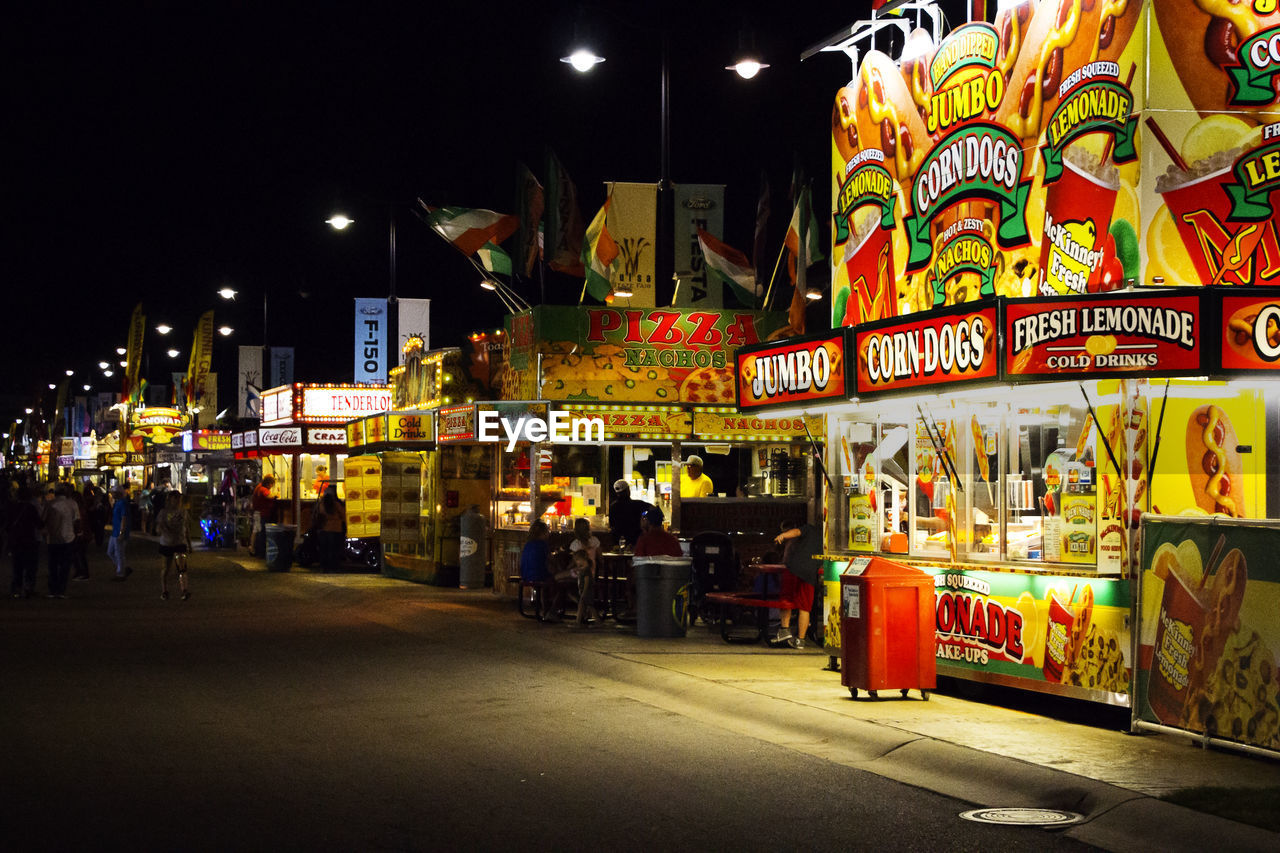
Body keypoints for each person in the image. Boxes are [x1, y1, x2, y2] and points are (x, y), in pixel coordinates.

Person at [772, 521, 823, 650]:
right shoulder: (828, 537)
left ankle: (784, 630)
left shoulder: (809, 529)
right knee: (805, 607)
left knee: (786, 598)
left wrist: (783, 535)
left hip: (794, 568)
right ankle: (800, 640)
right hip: (811, 571)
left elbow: (796, 532)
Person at [561, 518, 600, 627]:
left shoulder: (576, 544)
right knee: (585, 599)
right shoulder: (595, 541)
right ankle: (585, 618)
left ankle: (581, 620)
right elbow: (600, 557)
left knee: (561, 579)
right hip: (592, 571)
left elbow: (574, 562)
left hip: (581, 573)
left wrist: (566, 568)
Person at [6, 485, 43, 598]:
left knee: (17, 566)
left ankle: (16, 589)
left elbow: (7, 525)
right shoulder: (31, 508)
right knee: (30, 566)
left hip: (16, 541)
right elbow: (39, 524)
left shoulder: (12, 508)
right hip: (29, 540)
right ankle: (28, 588)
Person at [44, 485, 79, 599]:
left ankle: (53, 590)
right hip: (68, 537)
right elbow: (77, 520)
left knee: (53, 565)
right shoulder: (72, 504)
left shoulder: (50, 504)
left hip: (52, 538)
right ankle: (61, 590)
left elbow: (43, 520)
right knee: (65, 565)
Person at [156, 490, 191, 601]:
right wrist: (161, 529)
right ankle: (164, 590)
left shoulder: (183, 512)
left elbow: (187, 529)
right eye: (175, 499)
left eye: (179, 499)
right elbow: (158, 528)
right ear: (170, 500)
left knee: (182, 567)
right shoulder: (164, 513)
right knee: (166, 568)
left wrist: (189, 544)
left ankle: (184, 590)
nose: (177, 502)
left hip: (180, 542)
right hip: (167, 542)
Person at [518, 520, 556, 621]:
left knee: (546, 586)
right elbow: (551, 560)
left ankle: (546, 611)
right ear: (543, 533)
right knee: (557, 583)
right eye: (548, 531)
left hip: (526, 574)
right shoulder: (543, 544)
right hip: (539, 574)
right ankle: (550, 611)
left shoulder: (528, 544)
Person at [607, 479, 652, 549]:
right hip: (635, 541)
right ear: (628, 490)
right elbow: (654, 509)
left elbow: (611, 524)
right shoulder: (638, 504)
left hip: (618, 541)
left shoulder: (613, 507)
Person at [313, 487, 346, 571]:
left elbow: (317, 514)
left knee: (324, 549)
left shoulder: (321, 504)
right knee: (334, 550)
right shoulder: (336, 504)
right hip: (336, 530)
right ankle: (333, 567)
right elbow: (344, 515)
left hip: (323, 529)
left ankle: (324, 566)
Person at [106, 485, 132, 581]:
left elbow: (124, 518)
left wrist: (122, 532)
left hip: (119, 531)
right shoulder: (119, 502)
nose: (111, 494)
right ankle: (122, 568)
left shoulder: (122, 503)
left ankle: (120, 572)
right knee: (111, 552)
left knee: (118, 552)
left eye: (113, 493)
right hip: (115, 531)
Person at [251, 475, 277, 556]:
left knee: (256, 531)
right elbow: (269, 496)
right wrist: (276, 495)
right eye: (272, 484)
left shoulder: (259, 487)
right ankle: (259, 551)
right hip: (261, 514)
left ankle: (253, 548)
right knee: (260, 532)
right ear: (269, 483)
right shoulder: (263, 489)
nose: (272, 486)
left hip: (258, 513)